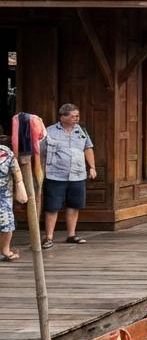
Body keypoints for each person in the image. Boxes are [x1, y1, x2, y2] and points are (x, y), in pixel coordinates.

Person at [39, 103, 95, 248]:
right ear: (62, 117)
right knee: (52, 206)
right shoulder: (49, 131)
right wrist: (39, 171)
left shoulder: (82, 131)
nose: (76, 118)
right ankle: (49, 237)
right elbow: (40, 152)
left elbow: (88, 148)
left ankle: (71, 234)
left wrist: (92, 167)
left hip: (77, 174)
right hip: (55, 174)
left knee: (74, 205)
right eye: (73, 116)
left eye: (77, 115)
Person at [0, 130, 28, 261]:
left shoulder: (5, 153)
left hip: (3, 194)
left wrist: (20, 186)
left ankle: (5, 250)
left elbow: (16, 171)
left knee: (6, 223)